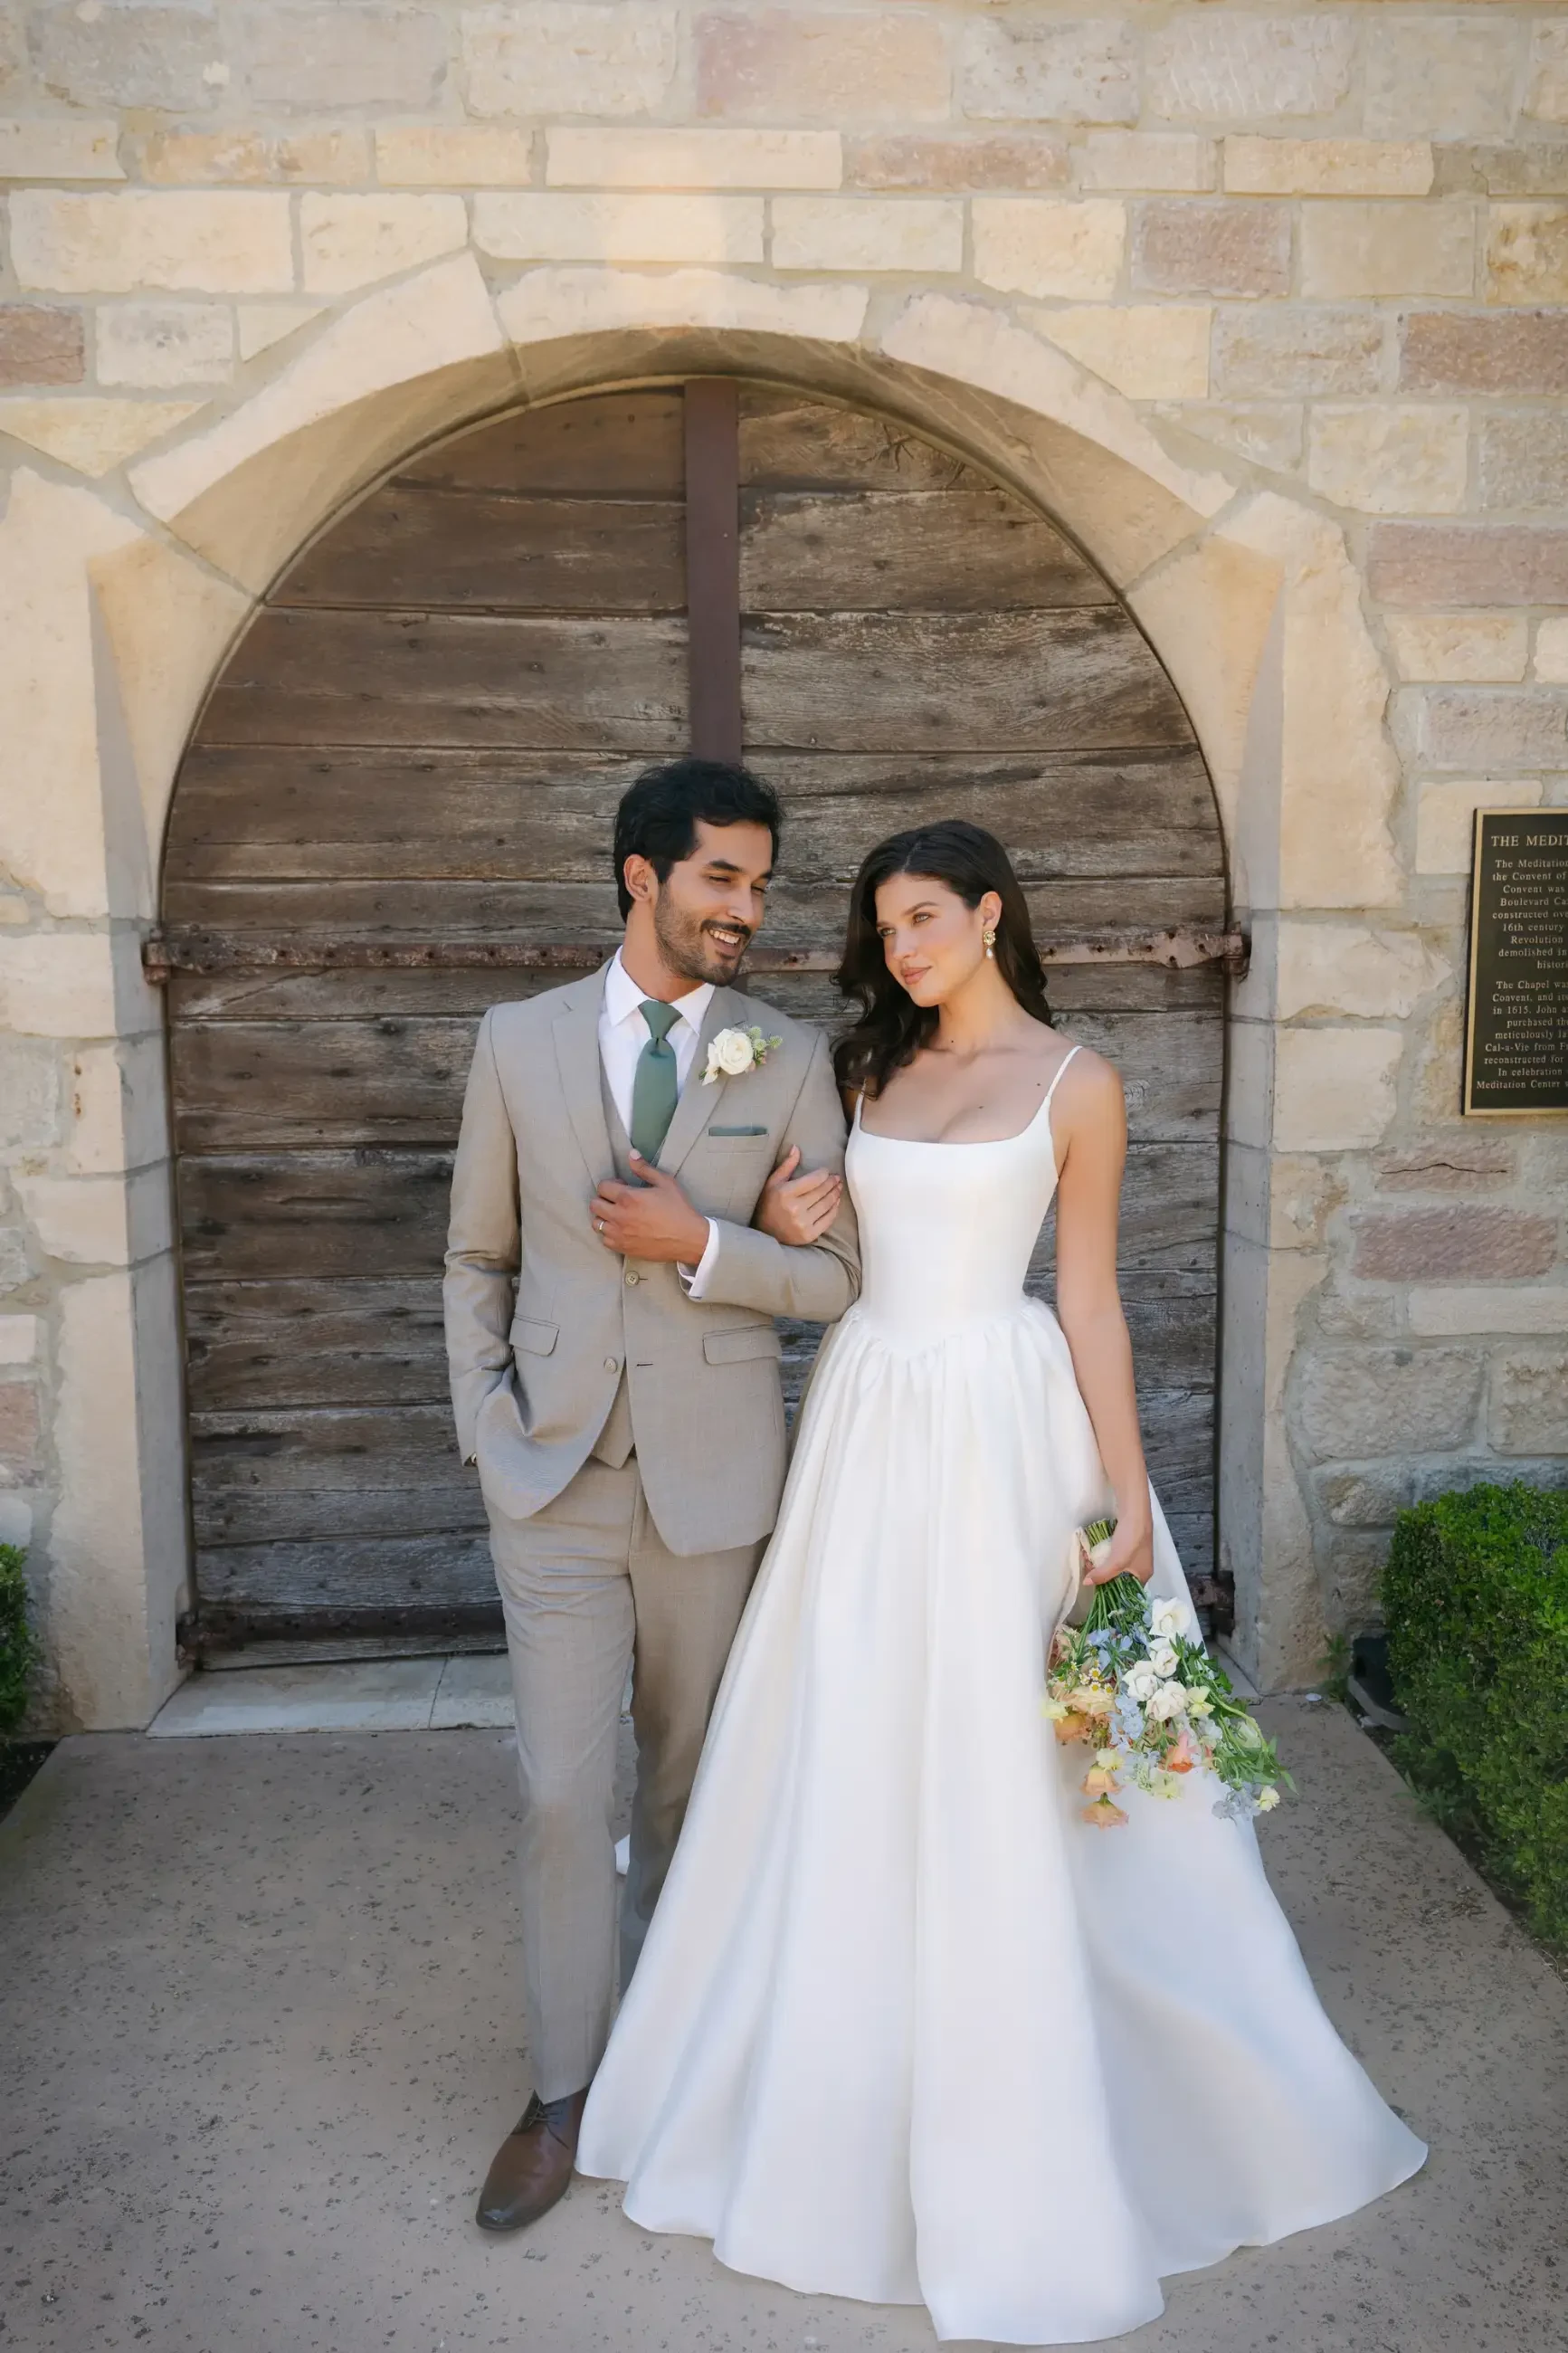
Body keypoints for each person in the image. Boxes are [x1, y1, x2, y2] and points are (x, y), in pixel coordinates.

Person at [575, 820, 1425, 2346]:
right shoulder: (859, 1074)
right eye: (881, 927)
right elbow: (824, 1260)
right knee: (844, 1728)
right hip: (867, 1413)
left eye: (923, 920)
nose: (899, 949)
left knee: (1023, 1743)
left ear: (988, 916)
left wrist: (1132, 1495)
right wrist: (777, 1219)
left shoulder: (1075, 1082)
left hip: (1002, 1427)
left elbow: (1088, 1299)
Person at [442, 757, 860, 2237]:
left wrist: (707, 1244)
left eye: (760, 882)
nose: (748, 908)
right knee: (565, 1795)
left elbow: (835, 1280)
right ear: (643, 876)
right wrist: (487, 1430)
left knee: (688, 1787)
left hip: (711, 1489)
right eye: (722, 880)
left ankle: (672, 2066)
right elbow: (476, 1257)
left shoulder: (791, 1057)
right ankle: (563, 2094)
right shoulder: (518, 1040)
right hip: (550, 1477)